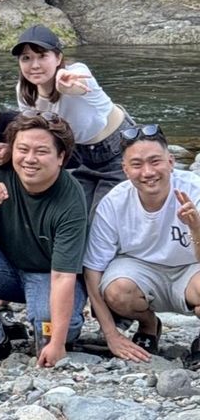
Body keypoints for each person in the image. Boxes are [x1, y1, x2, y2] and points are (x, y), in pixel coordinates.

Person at [0, 111, 88, 367]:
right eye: (22, 149)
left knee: (52, 334)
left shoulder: (71, 198)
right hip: (7, 268)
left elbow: (62, 276)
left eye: (41, 152)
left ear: (61, 157)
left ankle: (64, 328)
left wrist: (57, 344)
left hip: (49, 273)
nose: (30, 159)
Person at [83, 124, 200, 364]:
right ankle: (148, 325)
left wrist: (196, 227)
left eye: (155, 161)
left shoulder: (194, 190)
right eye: (136, 165)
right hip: (139, 270)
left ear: (171, 161)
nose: (147, 172)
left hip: (190, 268)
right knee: (116, 290)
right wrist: (111, 335)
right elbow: (92, 271)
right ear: (125, 170)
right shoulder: (113, 203)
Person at [12, 24, 134, 217]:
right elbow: (32, 133)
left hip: (119, 151)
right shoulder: (24, 91)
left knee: (102, 217)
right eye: (26, 58)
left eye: (42, 56)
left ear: (58, 58)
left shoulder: (76, 73)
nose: (34, 65)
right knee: (74, 215)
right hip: (80, 156)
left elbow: (79, 84)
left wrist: (67, 87)